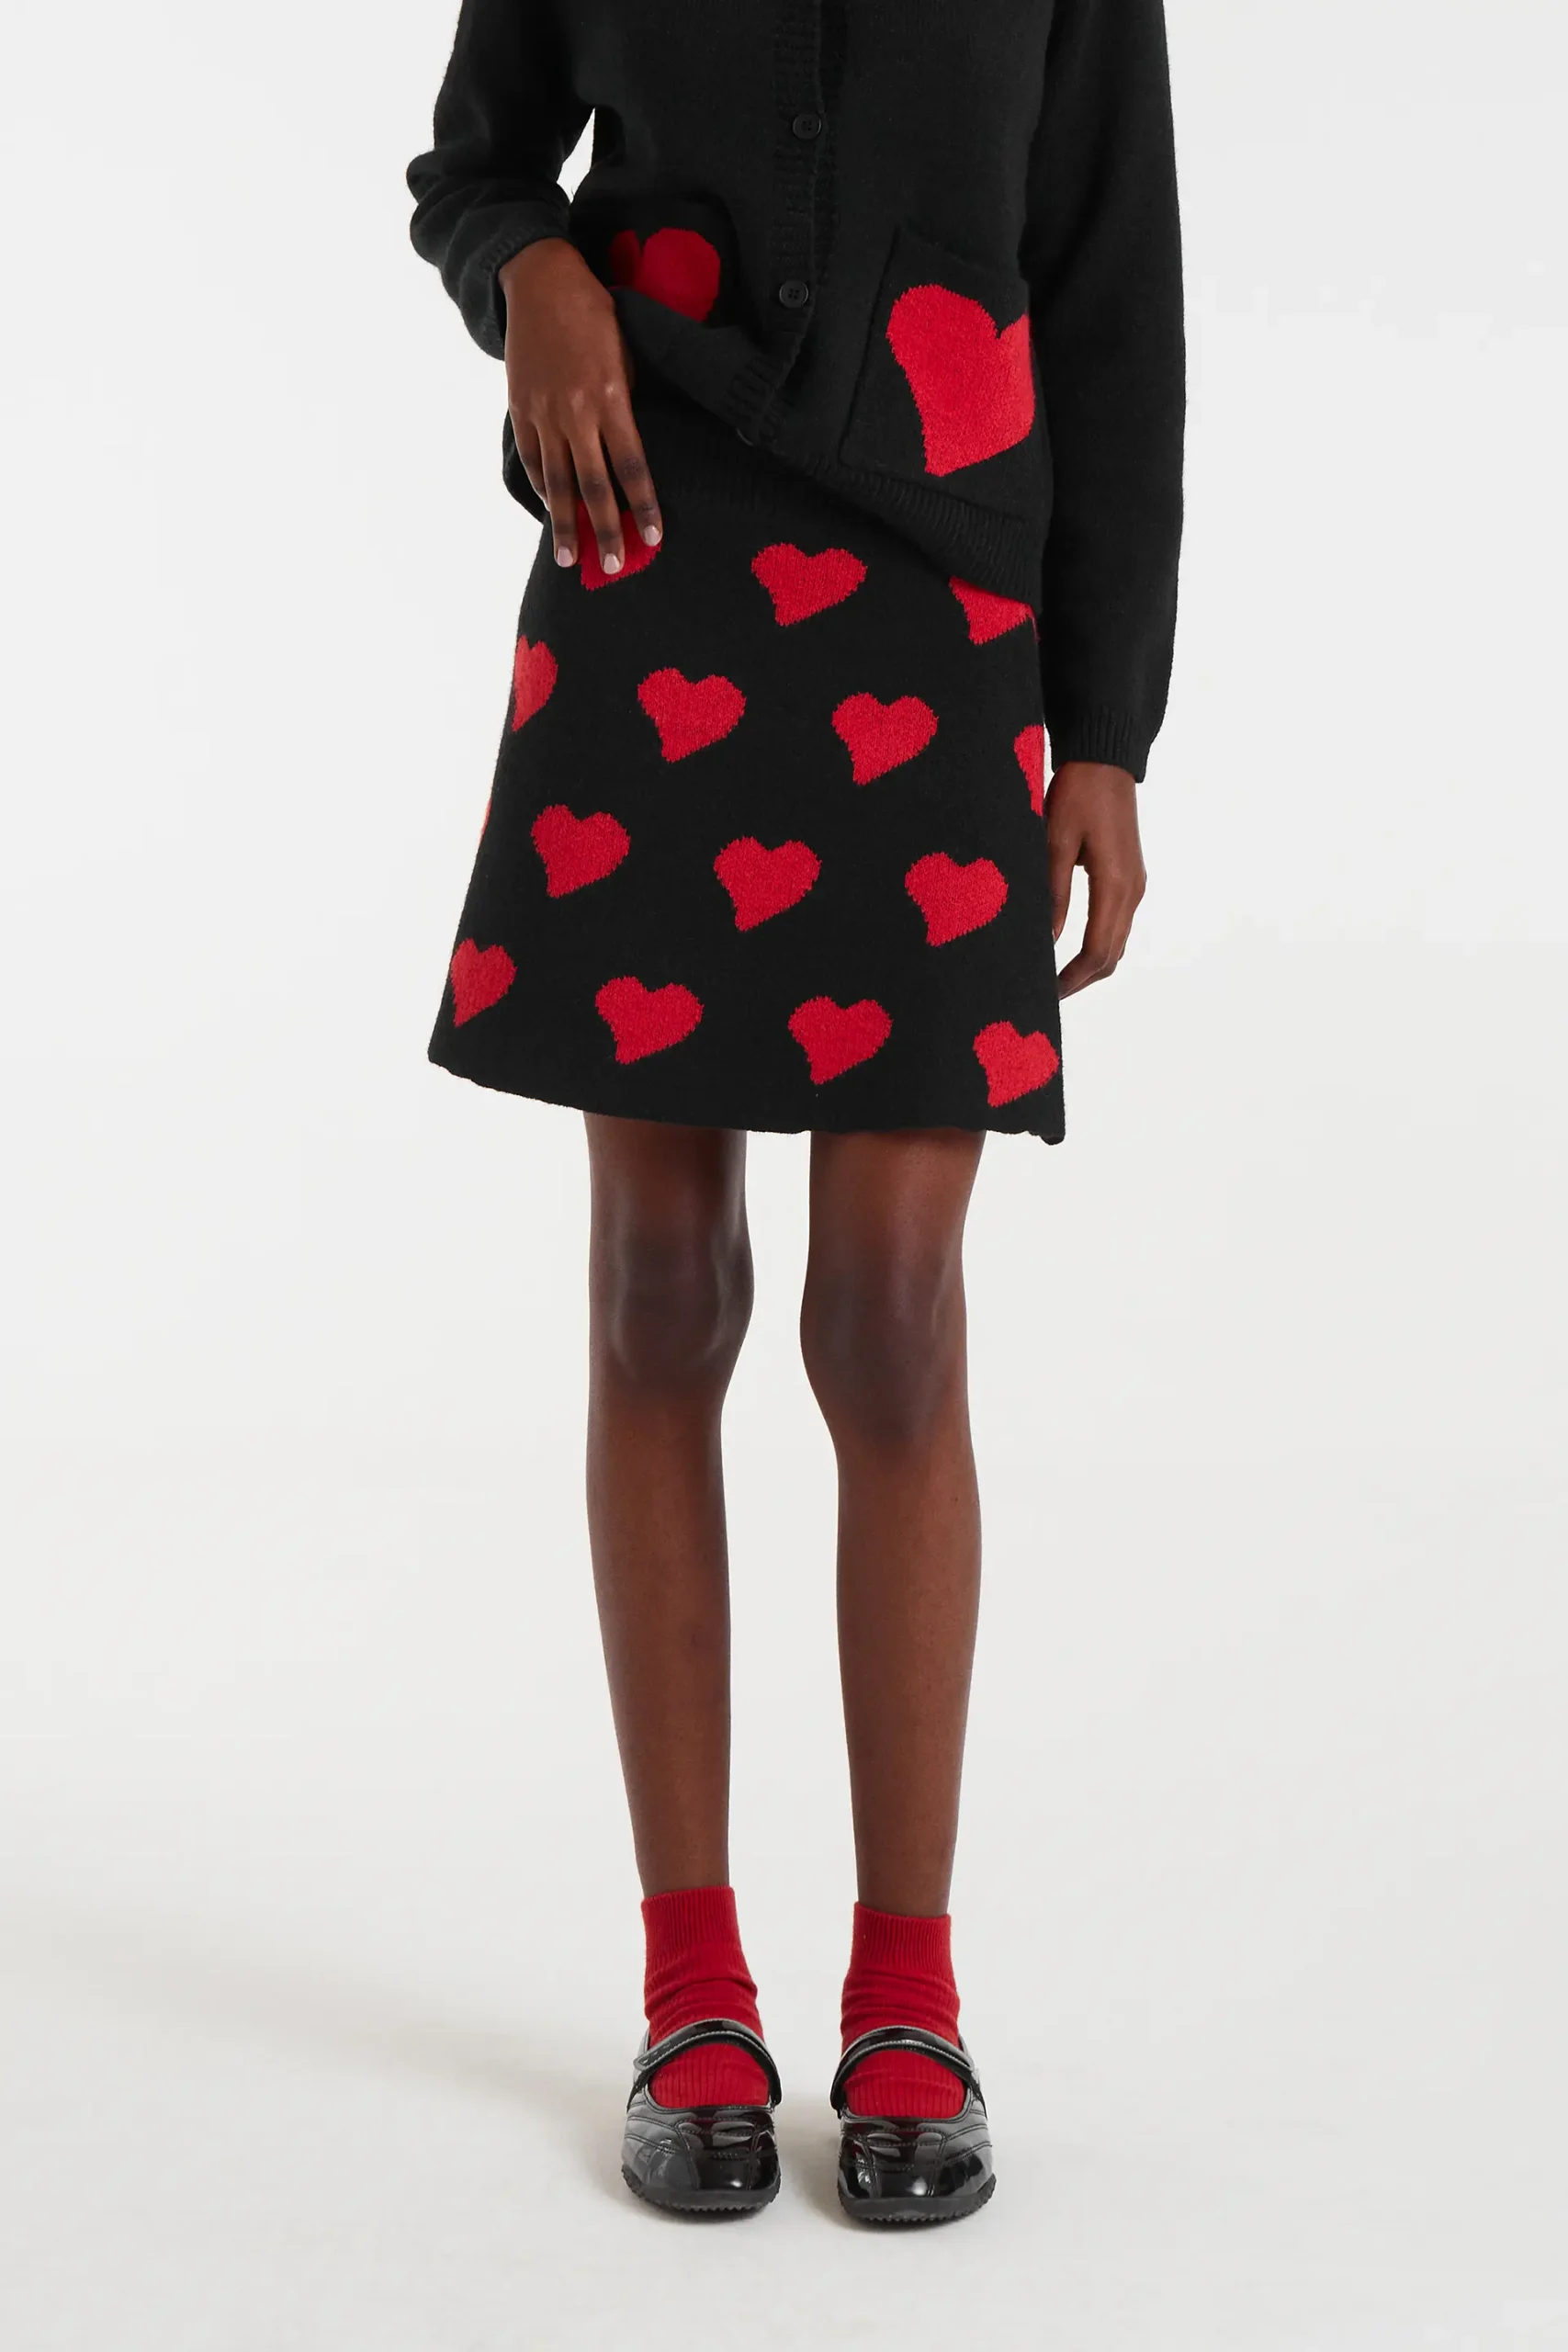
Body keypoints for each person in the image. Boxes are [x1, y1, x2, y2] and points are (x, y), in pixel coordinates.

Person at [406, 0, 1183, 2224]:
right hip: (647, 559)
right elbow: (471, 169)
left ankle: (907, 1986)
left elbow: (1108, 286)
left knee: (892, 1315)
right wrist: (532, 279)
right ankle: (693, 1986)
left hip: (947, 605)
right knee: (661, 1291)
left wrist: (1105, 728)